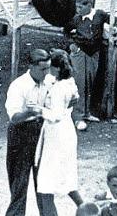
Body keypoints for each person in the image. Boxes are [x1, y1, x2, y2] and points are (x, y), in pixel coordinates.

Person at [4, 49, 52, 216]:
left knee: (45, 186)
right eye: (42, 69)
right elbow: (14, 117)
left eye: (48, 68)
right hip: (21, 134)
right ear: (31, 67)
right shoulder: (19, 86)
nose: (46, 73)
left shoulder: (50, 81)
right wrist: (30, 112)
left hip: (42, 134)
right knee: (19, 187)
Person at [35, 50, 83, 213]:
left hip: (57, 134)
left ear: (55, 68)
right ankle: (87, 210)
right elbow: (72, 97)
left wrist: (39, 110)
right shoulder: (68, 81)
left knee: (46, 184)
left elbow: (54, 115)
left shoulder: (59, 89)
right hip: (66, 131)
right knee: (65, 177)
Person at [64, 0, 117, 130]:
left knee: (90, 82)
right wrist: (72, 44)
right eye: (76, 6)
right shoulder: (76, 19)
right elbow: (65, 31)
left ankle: (86, 113)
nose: (78, 9)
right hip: (79, 53)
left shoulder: (99, 15)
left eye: (80, 7)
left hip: (94, 53)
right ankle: (77, 117)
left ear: (89, 5)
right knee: (79, 83)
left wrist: (115, 27)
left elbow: (114, 19)